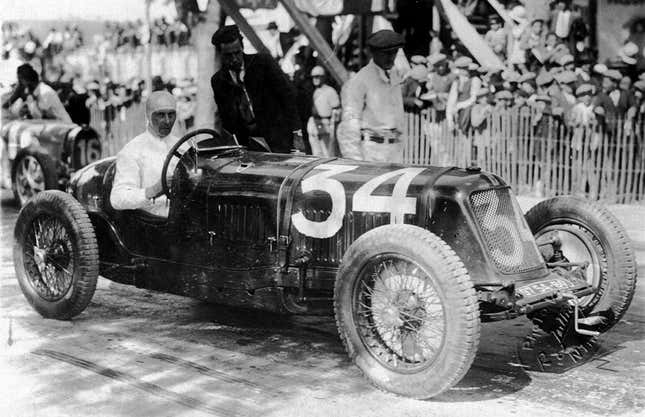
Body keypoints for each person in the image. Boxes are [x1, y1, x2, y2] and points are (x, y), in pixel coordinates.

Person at [210, 25, 303, 153]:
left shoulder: (263, 63)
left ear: (242, 47)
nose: (234, 59)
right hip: (248, 147)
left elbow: (289, 97)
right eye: (228, 55)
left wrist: (297, 133)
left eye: (237, 53)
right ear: (220, 54)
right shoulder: (218, 81)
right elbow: (226, 119)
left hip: (280, 140)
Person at [336, 29, 406, 162]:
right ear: (374, 53)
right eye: (386, 53)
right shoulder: (361, 80)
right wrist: (355, 161)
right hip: (371, 151)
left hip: (394, 151)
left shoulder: (393, 76)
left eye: (394, 52)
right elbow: (350, 123)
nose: (391, 57)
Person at [110, 91, 179, 218]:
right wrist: (152, 191)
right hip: (152, 222)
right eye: (160, 115)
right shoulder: (132, 151)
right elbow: (117, 198)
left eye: (171, 114)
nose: (167, 121)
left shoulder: (183, 147)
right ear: (148, 115)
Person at [2, 63, 72, 122]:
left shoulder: (45, 92)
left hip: (64, 128)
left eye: (20, 81)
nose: (19, 85)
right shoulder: (32, 94)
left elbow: (42, 117)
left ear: (27, 81)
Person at [306, 66, 340, 157]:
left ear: (323, 77)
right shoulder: (315, 91)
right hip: (314, 126)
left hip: (326, 126)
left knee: (327, 156)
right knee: (316, 156)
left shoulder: (330, 91)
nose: (315, 79)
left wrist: (334, 129)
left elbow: (336, 110)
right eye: (313, 77)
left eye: (317, 76)